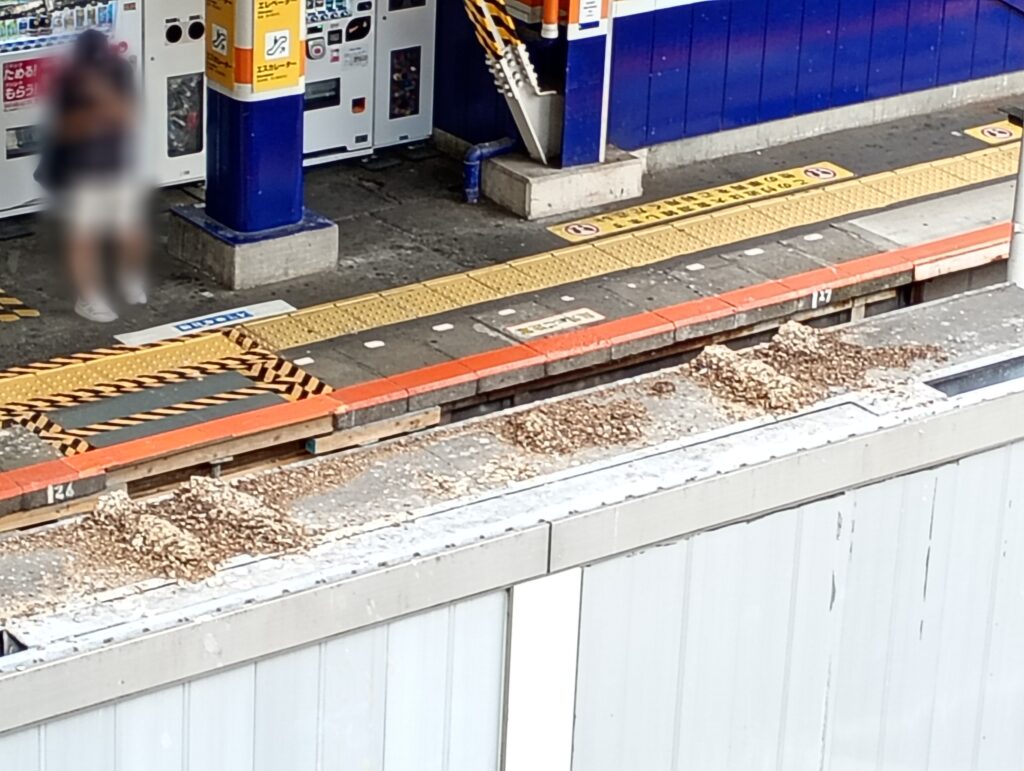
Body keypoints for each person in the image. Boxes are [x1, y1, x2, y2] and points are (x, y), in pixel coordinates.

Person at [36, 28, 147, 322]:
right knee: (83, 238)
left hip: (116, 165)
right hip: (80, 171)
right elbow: (65, 129)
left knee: (129, 232)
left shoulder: (119, 71)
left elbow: (127, 117)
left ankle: (128, 277)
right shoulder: (68, 79)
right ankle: (87, 298)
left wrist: (99, 95)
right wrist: (98, 116)